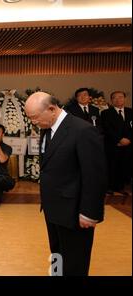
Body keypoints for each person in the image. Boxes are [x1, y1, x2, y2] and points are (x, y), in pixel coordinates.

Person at [25, 92, 107, 276]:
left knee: (74, 262)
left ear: (52, 109)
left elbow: (95, 176)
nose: (33, 122)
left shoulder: (83, 130)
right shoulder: (47, 127)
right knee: (57, 254)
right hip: (53, 208)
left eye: (35, 117)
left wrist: (89, 213)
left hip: (74, 211)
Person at [101, 91, 132, 196]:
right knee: (111, 166)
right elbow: (107, 129)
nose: (118, 99)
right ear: (111, 100)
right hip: (112, 145)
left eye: (120, 97)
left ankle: (120, 187)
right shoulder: (106, 113)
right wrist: (119, 140)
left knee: (124, 166)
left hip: (128, 145)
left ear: (124, 99)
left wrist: (129, 139)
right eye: (115, 98)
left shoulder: (130, 112)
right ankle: (109, 187)